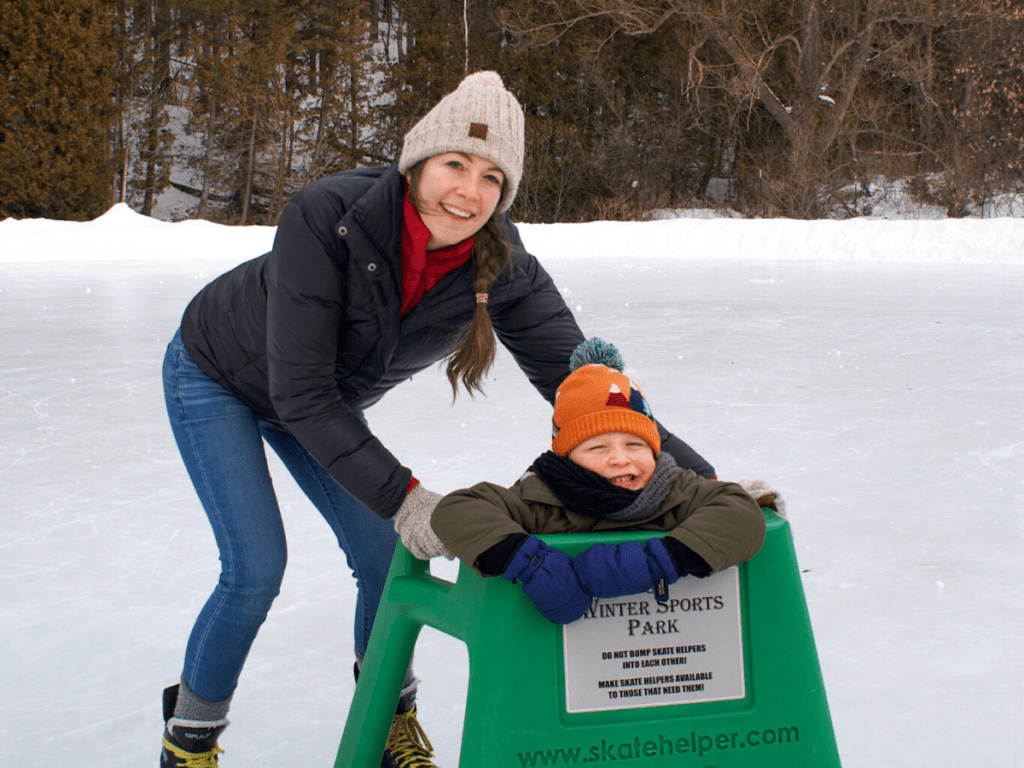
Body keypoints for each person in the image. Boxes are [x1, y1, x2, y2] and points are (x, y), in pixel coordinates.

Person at [159, 72, 715, 767]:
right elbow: (298, 393)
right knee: (256, 568)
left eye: (491, 178)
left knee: (384, 557)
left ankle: (387, 721)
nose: (468, 192)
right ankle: (191, 739)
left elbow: (586, 390)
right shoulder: (326, 216)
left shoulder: (501, 262)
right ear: (418, 162)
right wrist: (405, 497)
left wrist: (700, 482)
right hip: (218, 376)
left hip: (320, 400)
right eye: (455, 165)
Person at [431, 338, 770, 624]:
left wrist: (657, 561)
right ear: (567, 456)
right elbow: (458, 509)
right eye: (597, 447)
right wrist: (532, 563)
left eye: (636, 444)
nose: (621, 458)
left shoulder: (676, 489)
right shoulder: (541, 497)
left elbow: (739, 512)